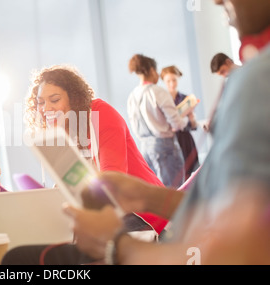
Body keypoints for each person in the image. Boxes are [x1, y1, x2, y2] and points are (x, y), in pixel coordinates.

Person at [62, 0, 270, 265]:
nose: (217, 1)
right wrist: (147, 196)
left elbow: (236, 246)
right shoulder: (253, 76)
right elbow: (218, 207)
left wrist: (116, 245)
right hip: (166, 146)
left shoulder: (258, 78)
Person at [1, 65, 168, 265]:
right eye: (40, 103)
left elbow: (112, 181)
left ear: (74, 98)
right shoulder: (63, 131)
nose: (45, 109)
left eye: (54, 100)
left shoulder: (100, 113)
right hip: (105, 211)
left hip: (140, 212)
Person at [127, 54, 188, 188]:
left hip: (145, 149)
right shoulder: (158, 92)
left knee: (157, 193)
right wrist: (186, 119)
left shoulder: (132, 96)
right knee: (173, 192)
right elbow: (177, 123)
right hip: (164, 147)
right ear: (151, 71)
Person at [160, 65, 200, 181]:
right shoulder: (162, 100)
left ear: (178, 79)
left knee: (193, 174)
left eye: (174, 80)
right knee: (177, 176)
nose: (172, 83)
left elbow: (193, 125)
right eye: (168, 81)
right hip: (171, 140)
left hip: (186, 139)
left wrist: (192, 119)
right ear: (163, 81)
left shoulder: (186, 98)